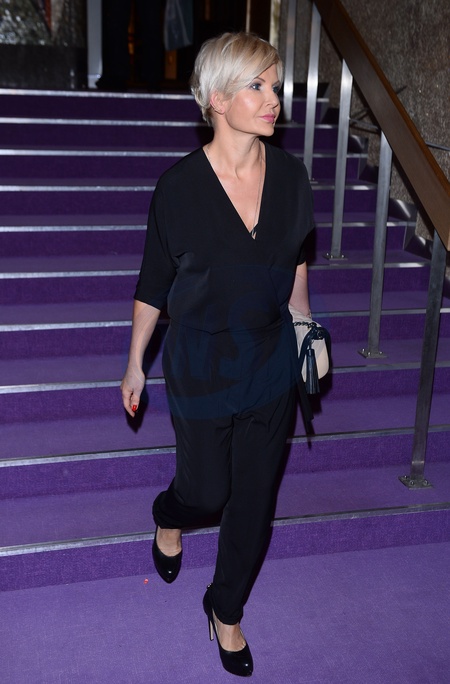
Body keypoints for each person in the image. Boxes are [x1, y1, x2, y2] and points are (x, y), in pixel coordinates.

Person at [120, 32, 314, 678]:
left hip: (269, 361)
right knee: (206, 490)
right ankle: (168, 515)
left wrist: (305, 328)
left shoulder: (291, 177)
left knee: (254, 502)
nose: (273, 98)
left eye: (275, 84)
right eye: (256, 85)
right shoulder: (178, 189)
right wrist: (134, 363)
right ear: (216, 99)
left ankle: (225, 610)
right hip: (201, 364)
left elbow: (297, 261)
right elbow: (153, 284)